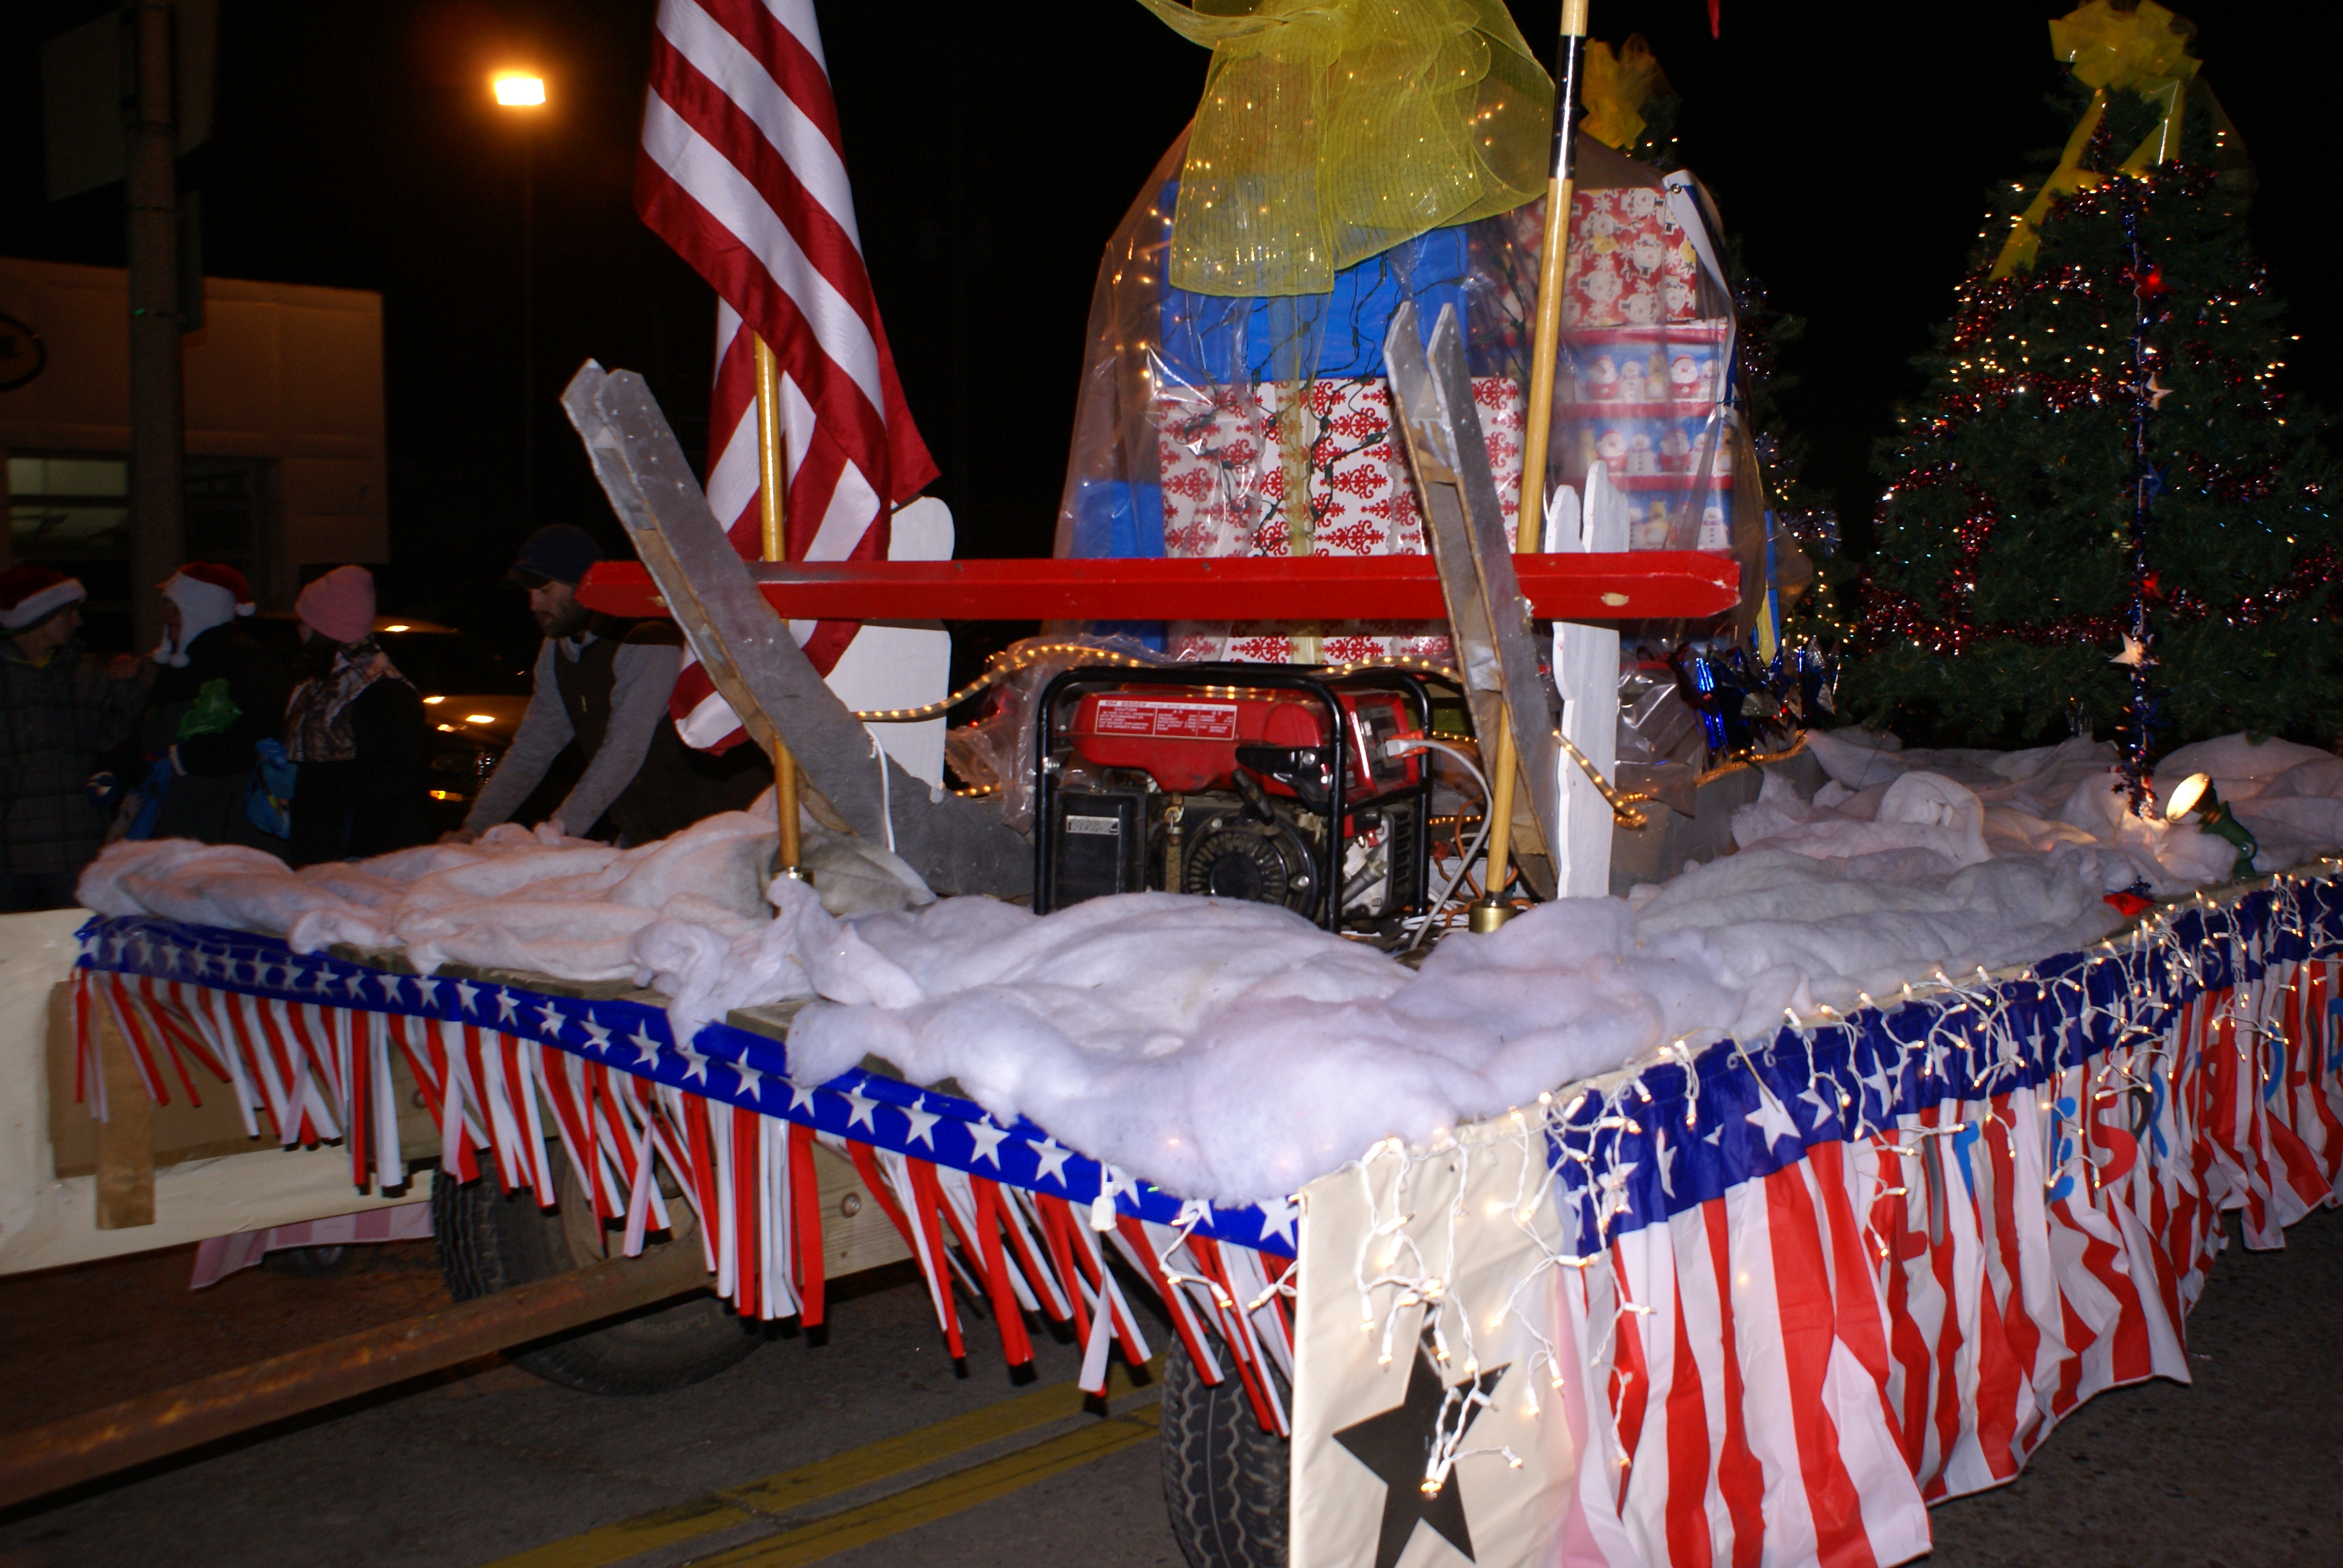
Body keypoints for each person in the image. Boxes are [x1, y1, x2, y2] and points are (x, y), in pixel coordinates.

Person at [448, 525, 764, 846]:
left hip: (724, 828)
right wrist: (473, 828)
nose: (534, 604)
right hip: (651, 835)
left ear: (584, 585)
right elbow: (533, 748)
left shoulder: (647, 638)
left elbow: (624, 749)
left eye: (544, 590)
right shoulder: (556, 650)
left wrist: (558, 832)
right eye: (529, 593)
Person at [0, 567, 142, 910]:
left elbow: (115, 739)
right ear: (37, 618)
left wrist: (125, 688)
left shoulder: (86, 671)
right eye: (68, 613)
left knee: (83, 941)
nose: (78, 622)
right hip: (8, 843)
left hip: (74, 839)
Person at [132, 563, 289, 848]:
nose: (165, 616)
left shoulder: (243, 659)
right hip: (183, 819)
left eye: (174, 607)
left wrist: (187, 758)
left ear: (199, 609)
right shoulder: (179, 666)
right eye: (164, 606)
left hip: (224, 827)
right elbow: (154, 736)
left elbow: (260, 733)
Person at [283, 565, 430, 866]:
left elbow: (391, 785)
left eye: (305, 621)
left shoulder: (382, 690)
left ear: (326, 628)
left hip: (362, 858)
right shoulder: (323, 683)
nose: (298, 629)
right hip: (329, 852)